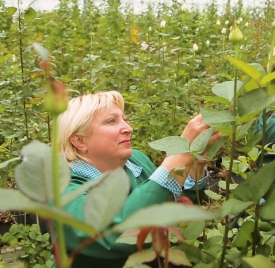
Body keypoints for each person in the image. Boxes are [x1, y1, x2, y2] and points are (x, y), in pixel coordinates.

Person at [56, 91, 216, 268]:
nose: (128, 128)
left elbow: (171, 206)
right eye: (111, 121)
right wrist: (180, 156)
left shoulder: (136, 161)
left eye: (124, 119)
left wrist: (195, 166)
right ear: (80, 141)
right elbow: (114, 234)